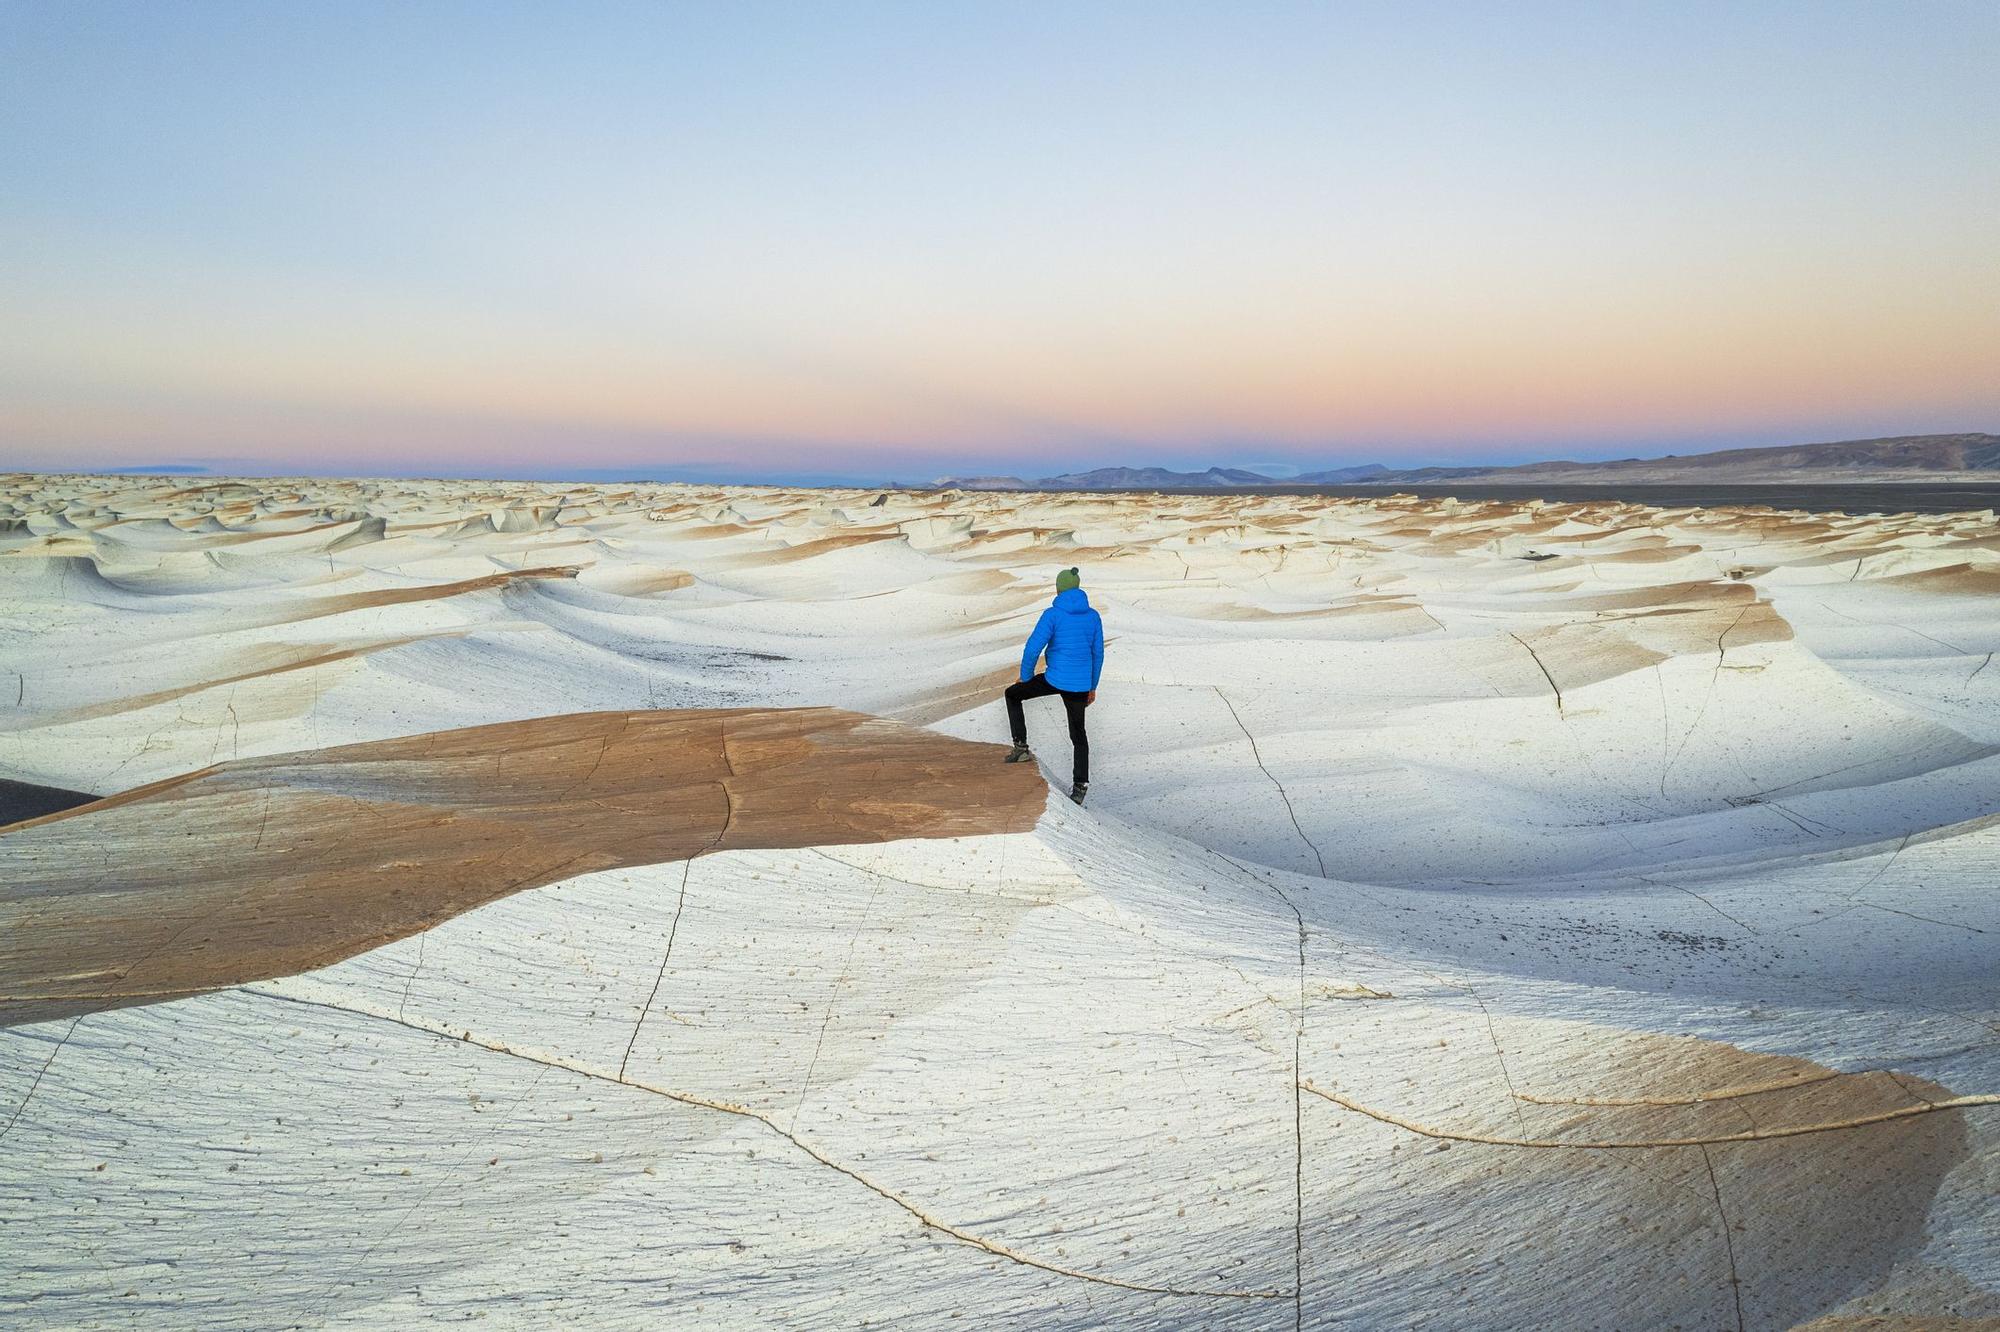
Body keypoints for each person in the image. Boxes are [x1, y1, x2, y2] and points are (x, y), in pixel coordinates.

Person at [1004, 566, 1103, 804]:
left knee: (1012, 695)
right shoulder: (1093, 616)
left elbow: (1032, 648)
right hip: (1079, 685)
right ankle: (1080, 786)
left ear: (1059, 589)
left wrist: (1026, 677)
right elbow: (1097, 653)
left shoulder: (1053, 614)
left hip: (1054, 679)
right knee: (1078, 735)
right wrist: (1092, 686)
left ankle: (1021, 748)